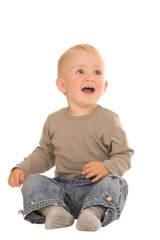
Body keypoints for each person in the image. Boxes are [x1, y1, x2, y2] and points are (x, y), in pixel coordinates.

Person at [8, 44, 134, 231]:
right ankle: (55, 210)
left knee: (116, 183)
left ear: (104, 86)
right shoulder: (54, 120)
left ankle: (93, 212)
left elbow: (124, 154)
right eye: (80, 71)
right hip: (61, 190)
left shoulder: (109, 120)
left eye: (97, 72)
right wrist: (23, 168)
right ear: (62, 85)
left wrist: (106, 167)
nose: (90, 77)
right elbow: (45, 154)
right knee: (32, 182)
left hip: (95, 187)